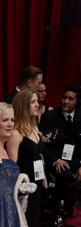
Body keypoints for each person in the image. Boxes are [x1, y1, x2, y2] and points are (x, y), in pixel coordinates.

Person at [7, 90, 46, 227]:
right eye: (32, 102)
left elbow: (39, 155)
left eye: (37, 101)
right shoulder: (16, 134)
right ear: (24, 105)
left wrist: (44, 176)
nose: (37, 105)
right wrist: (19, 191)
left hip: (38, 188)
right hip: (24, 191)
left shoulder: (34, 127)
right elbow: (12, 167)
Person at [39, 84, 81, 219]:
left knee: (71, 171)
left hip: (74, 160)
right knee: (66, 174)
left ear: (77, 101)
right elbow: (42, 146)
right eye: (64, 98)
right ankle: (56, 204)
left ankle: (67, 208)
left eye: (70, 99)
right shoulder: (49, 117)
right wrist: (56, 160)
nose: (66, 101)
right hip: (54, 159)